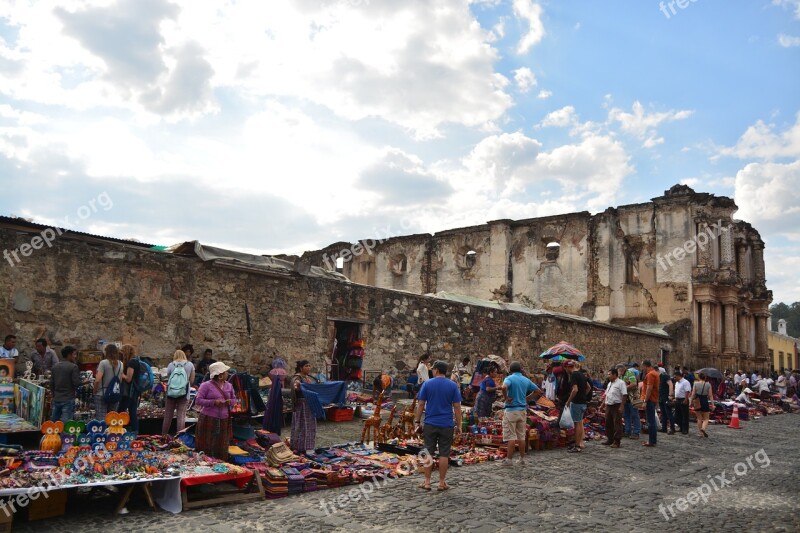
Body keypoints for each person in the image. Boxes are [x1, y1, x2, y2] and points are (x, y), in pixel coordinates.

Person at [414, 360, 462, 490]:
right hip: (447, 423)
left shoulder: (427, 384)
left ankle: (427, 482)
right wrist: (459, 425)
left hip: (430, 423)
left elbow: (421, 404)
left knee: (428, 452)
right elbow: (457, 407)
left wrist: (417, 421)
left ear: (436, 370)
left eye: (433, 369)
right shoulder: (452, 386)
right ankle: (441, 482)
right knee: (444, 453)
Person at [194, 361, 235, 460]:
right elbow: (198, 400)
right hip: (209, 418)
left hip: (224, 419)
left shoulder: (229, 386)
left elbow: (234, 399)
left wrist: (230, 402)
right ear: (220, 375)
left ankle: (221, 461)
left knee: (222, 443)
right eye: (225, 372)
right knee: (207, 442)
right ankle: (206, 461)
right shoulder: (206, 385)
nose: (227, 374)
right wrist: (213, 402)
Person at [501, 361, 539, 464]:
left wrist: (506, 398)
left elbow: (504, 387)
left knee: (511, 436)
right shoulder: (525, 379)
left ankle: (509, 460)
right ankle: (522, 459)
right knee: (521, 436)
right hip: (522, 410)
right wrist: (526, 398)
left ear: (510, 370)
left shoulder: (509, 378)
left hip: (511, 411)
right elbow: (538, 391)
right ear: (520, 370)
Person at [162, 349, 195, 435]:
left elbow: (169, 379)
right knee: (181, 416)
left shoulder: (171, 365)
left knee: (168, 416)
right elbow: (191, 381)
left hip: (171, 394)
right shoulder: (190, 365)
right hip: (184, 394)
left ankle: (163, 436)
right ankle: (179, 438)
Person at [290, 360, 317, 453]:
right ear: (301, 368)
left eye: (309, 366)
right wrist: (300, 386)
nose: (308, 367)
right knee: (301, 426)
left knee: (309, 426)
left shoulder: (307, 377)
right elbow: (295, 387)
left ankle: (307, 446)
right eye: (306, 366)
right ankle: (298, 447)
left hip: (308, 405)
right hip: (301, 406)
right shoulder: (297, 377)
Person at [50, 346, 82, 423]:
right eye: (74, 354)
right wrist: (87, 381)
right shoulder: (73, 367)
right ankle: (65, 435)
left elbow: (52, 383)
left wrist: (53, 395)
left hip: (57, 398)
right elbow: (76, 383)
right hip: (68, 399)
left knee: (54, 422)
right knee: (66, 424)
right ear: (69, 355)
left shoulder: (55, 366)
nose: (75, 357)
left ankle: (53, 435)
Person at [564, 361, 590, 452]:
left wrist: (568, 401)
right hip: (583, 402)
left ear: (568, 367)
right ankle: (578, 444)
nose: (565, 370)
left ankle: (577, 445)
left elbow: (575, 390)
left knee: (577, 424)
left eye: (565, 368)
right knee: (579, 423)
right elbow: (588, 387)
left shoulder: (574, 375)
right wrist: (583, 396)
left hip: (577, 403)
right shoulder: (582, 374)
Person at [93, 344, 122, 418]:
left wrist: (94, 390)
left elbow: (98, 379)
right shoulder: (121, 364)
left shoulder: (103, 363)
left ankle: (103, 430)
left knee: (101, 419)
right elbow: (120, 380)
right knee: (111, 419)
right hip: (114, 393)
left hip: (102, 393)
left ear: (106, 352)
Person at [118, 344, 143, 433]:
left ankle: (117, 431)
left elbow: (129, 379)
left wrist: (121, 374)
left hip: (129, 392)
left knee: (120, 411)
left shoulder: (131, 362)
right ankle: (135, 432)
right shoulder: (136, 361)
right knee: (132, 412)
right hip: (134, 391)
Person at [602, 367, 627, 448]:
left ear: (615, 375)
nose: (608, 376)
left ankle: (617, 441)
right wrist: (603, 404)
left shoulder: (621, 383)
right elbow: (607, 394)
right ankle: (610, 439)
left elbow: (624, 395)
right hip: (609, 405)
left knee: (617, 423)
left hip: (617, 405)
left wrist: (622, 406)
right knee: (608, 423)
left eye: (609, 374)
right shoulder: (609, 383)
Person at [641, 360, 660, 447]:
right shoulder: (655, 373)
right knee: (651, 421)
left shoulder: (650, 374)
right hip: (653, 399)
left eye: (643, 367)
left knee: (650, 421)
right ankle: (652, 440)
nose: (642, 369)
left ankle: (652, 441)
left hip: (649, 400)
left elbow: (649, 388)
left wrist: (645, 400)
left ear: (645, 366)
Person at [690, 371, 714, 438]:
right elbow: (710, 395)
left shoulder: (696, 384)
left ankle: (700, 433)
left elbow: (693, 394)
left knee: (699, 418)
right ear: (705, 377)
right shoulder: (708, 384)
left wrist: (690, 402)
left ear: (699, 377)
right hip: (704, 400)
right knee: (706, 418)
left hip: (697, 401)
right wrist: (713, 404)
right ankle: (703, 428)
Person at [622, 364, 640, 439]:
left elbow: (634, 384)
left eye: (620, 370)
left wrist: (624, 388)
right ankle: (627, 431)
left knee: (634, 415)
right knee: (626, 415)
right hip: (625, 399)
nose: (619, 371)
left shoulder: (630, 373)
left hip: (632, 398)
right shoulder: (621, 376)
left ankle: (636, 432)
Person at [658, 366, 676, 435]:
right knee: (663, 413)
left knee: (669, 413)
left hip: (666, 397)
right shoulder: (658, 378)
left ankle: (672, 428)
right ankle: (664, 428)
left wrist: (670, 395)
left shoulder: (665, 376)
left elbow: (671, 385)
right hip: (661, 398)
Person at [673, 370, 691, 435]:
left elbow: (687, 391)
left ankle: (685, 429)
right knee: (678, 415)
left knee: (684, 415)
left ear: (678, 376)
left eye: (675, 377)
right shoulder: (677, 383)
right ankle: (681, 427)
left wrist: (686, 400)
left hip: (683, 399)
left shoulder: (685, 382)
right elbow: (676, 391)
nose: (674, 378)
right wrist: (675, 398)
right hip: (677, 400)